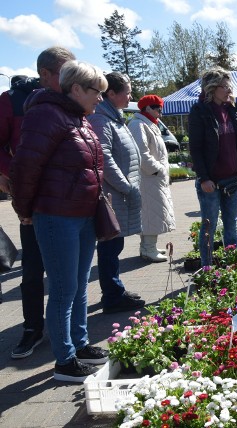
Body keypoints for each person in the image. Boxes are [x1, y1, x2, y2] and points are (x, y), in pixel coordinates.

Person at [10, 60, 110, 382]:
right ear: (76, 89)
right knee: (64, 289)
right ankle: (64, 362)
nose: (100, 99)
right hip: (57, 217)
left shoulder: (77, 117)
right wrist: (24, 210)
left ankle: (79, 344)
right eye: (97, 92)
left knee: (79, 286)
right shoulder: (46, 114)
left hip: (81, 216)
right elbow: (25, 167)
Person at [0, 46, 75, 360]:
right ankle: (33, 328)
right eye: (64, 71)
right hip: (34, 197)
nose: (72, 77)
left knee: (73, 269)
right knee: (33, 268)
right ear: (44, 73)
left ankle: (72, 332)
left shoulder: (74, 98)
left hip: (70, 198)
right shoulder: (12, 101)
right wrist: (9, 175)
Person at [88, 72, 145, 314]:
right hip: (113, 195)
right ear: (111, 93)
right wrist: (126, 186)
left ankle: (114, 290)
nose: (131, 96)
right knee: (111, 246)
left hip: (118, 195)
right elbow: (106, 160)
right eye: (127, 91)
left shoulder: (114, 117)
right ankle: (112, 295)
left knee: (114, 246)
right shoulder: (102, 120)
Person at [188, 66, 237, 267]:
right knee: (209, 226)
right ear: (211, 88)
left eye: (229, 86)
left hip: (232, 177)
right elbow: (196, 148)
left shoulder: (231, 110)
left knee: (231, 225)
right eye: (224, 86)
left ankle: (231, 265)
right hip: (212, 182)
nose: (229, 90)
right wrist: (204, 177)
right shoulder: (199, 112)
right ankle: (207, 268)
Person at [127, 94, 176, 263]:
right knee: (150, 212)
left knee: (154, 212)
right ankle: (148, 248)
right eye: (157, 108)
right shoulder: (138, 124)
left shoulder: (148, 124)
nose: (160, 112)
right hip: (148, 178)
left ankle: (149, 246)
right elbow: (141, 153)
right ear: (147, 108)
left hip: (153, 178)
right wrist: (157, 170)